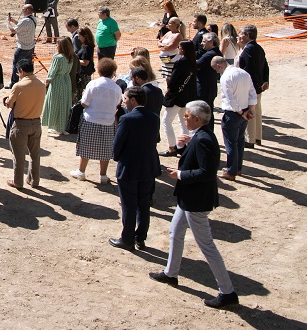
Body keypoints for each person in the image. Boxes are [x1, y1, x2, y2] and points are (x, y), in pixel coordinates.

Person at [151, 100, 239, 309]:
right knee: (175, 232)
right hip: (190, 198)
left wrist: (179, 174)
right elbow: (197, 160)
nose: (185, 118)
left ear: (197, 119)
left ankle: (227, 292)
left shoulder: (203, 140)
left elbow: (207, 172)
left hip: (196, 200)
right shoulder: (201, 136)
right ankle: (171, 273)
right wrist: (183, 148)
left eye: (188, 116)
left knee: (206, 246)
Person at [108, 87, 161, 251]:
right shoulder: (154, 118)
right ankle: (140, 238)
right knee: (144, 205)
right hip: (148, 167)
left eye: (125, 99)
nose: (123, 101)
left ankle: (127, 239)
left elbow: (117, 145)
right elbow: (156, 139)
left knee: (129, 205)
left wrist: (117, 158)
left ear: (133, 100)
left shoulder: (127, 119)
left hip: (130, 167)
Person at [70, 58, 120, 184]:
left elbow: (85, 103)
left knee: (85, 146)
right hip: (108, 121)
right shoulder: (116, 88)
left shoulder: (93, 84)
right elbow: (117, 105)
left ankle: (81, 171)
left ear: (99, 70)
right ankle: (103, 175)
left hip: (91, 119)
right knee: (106, 149)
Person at [212, 56, 256, 181]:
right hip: (244, 112)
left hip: (233, 114)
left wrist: (241, 112)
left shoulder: (226, 77)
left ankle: (231, 171)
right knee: (240, 141)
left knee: (230, 143)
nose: (217, 72)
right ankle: (238, 168)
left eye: (216, 69)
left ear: (219, 66)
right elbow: (252, 93)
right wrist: (249, 110)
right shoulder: (244, 73)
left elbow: (231, 99)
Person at [3, 60, 46, 189]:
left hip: (21, 124)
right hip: (36, 122)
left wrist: (6, 99)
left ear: (21, 71)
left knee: (18, 155)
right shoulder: (41, 85)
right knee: (34, 154)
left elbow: (9, 104)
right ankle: (34, 180)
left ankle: (18, 181)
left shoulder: (18, 86)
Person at [161, 40, 198, 157]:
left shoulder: (181, 62)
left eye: (180, 47)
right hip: (187, 99)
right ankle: (184, 147)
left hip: (177, 98)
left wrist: (169, 87)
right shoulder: (193, 62)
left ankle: (172, 147)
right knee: (184, 122)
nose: (179, 49)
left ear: (184, 50)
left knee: (166, 121)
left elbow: (173, 81)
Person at [237, 25, 269, 147]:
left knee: (250, 112)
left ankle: (250, 140)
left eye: (241, 34)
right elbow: (265, 67)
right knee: (257, 112)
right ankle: (257, 137)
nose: (239, 36)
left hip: (251, 87)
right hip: (257, 87)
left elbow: (249, 70)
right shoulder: (258, 48)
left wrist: (249, 86)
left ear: (248, 35)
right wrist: (264, 82)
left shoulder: (248, 49)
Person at [41, 37, 74, 136]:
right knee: (64, 104)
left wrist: (46, 83)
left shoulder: (58, 58)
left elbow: (52, 72)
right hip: (66, 82)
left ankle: (54, 126)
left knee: (54, 104)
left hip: (57, 82)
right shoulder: (70, 57)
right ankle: (62, 127)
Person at [9, 5, 37, 86]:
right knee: (28, 65)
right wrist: (14, 21)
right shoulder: (33, 19)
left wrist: (8, 23)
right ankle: (29, 81)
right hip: (30, 47)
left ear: (28, 10)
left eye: (23, 9)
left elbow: (13, 31)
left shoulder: (24, 21)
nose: (22, 10)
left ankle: (14, 83)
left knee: (16, 65)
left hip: (22, 47)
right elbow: (22, 27)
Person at [195, 33, 222, 105]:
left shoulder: (210, 54)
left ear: (211, 42)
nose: (201, 43)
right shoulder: (216, 52)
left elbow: (196, 66)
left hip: (204, 89)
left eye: (204, 41)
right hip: (210, 87)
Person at [75, 26, 96, 100]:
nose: (78, 38)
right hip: (83, 74)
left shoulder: (87, 48)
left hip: (84, 75)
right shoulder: (85, 46)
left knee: (83, 92)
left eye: (80, 36)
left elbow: (85, 62)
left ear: (85, 36)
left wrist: (74, 60)